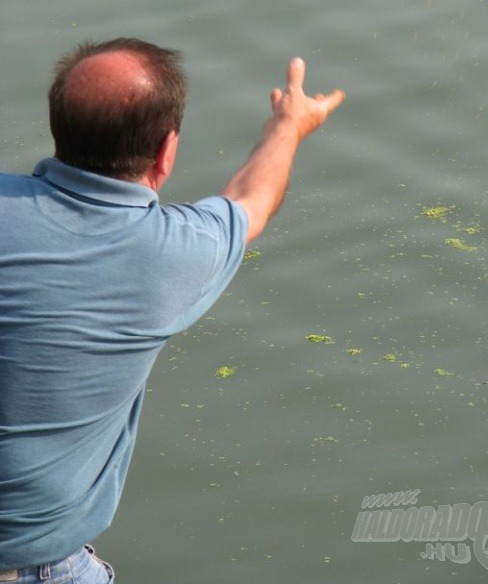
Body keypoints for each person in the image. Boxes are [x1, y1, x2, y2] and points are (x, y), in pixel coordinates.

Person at [0, 38, 344, 582]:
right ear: (167, 153)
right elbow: (253, 200)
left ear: (58, 128)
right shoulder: (172, 254)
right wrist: (289, 127)